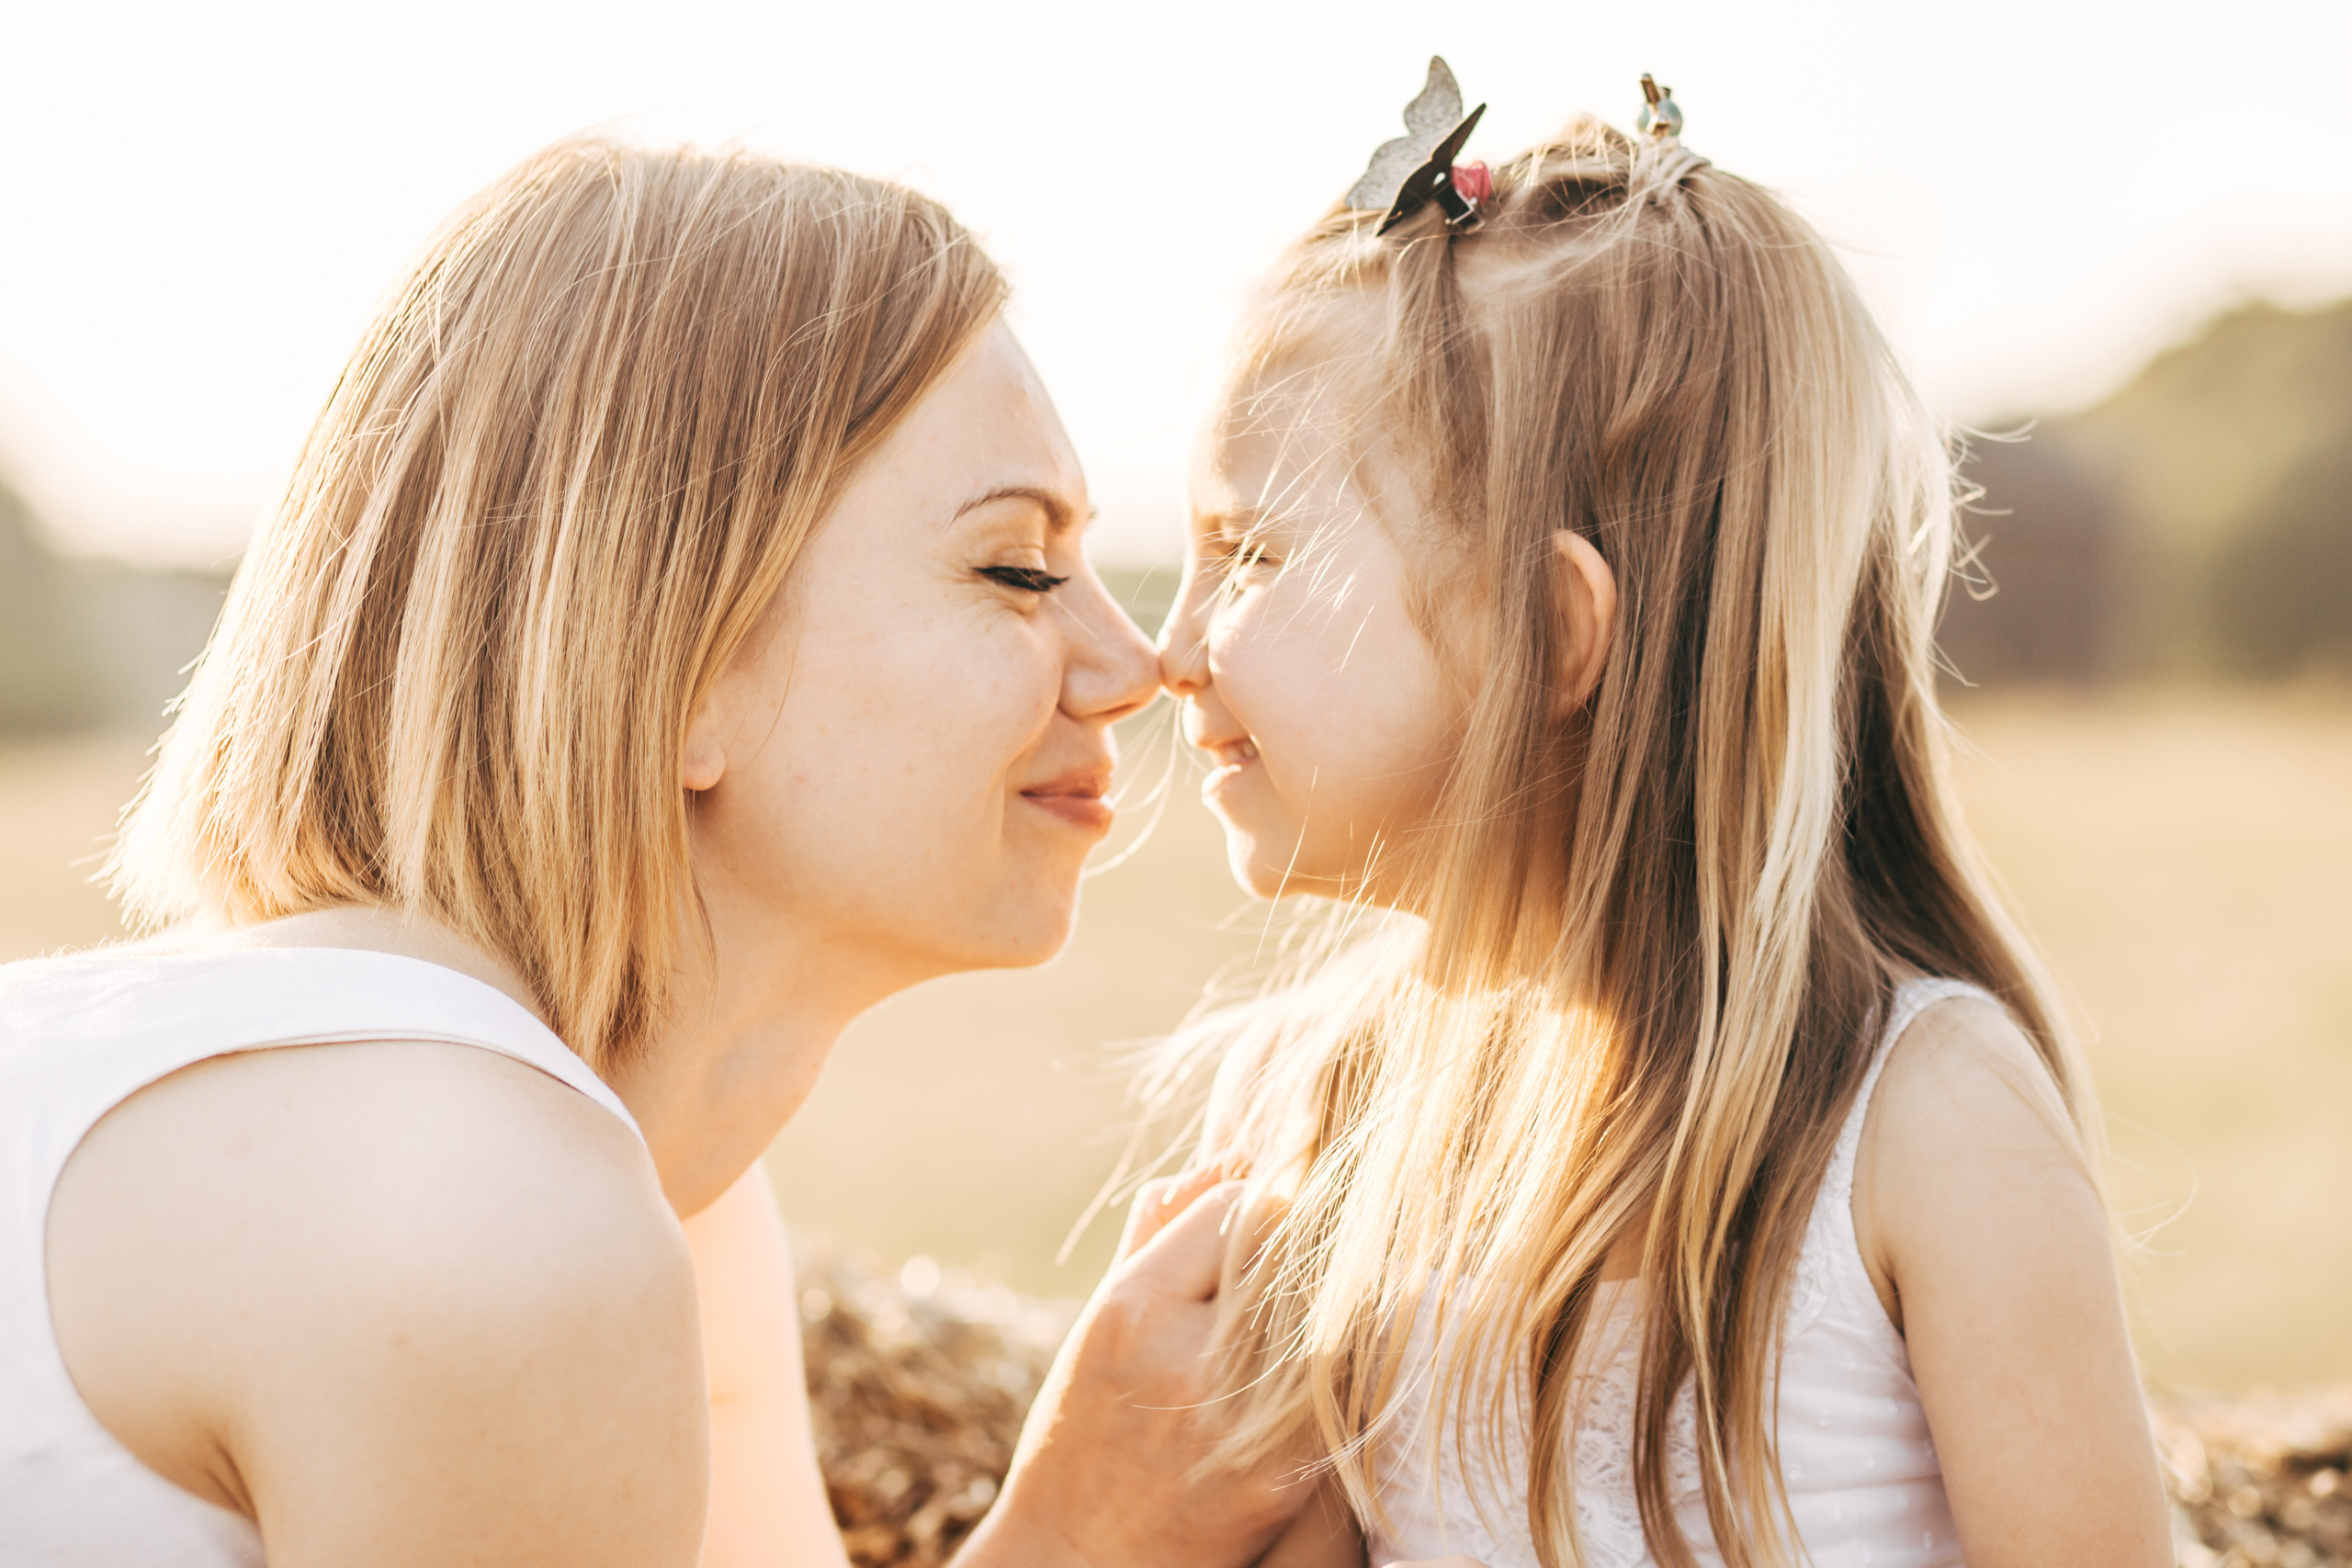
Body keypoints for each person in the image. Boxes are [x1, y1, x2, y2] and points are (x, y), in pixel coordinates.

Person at [0, 137, 1308, 1568]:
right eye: (1013, 568)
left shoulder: (637, 1195)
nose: (1133, 667)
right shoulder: (496, 1216)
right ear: (676, 666)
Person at [1152, 78, 2175, 1568]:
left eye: (1248, 555)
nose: (1166, 647)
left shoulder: (1923, 1123)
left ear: (1552, 630)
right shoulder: (1313, 1109)